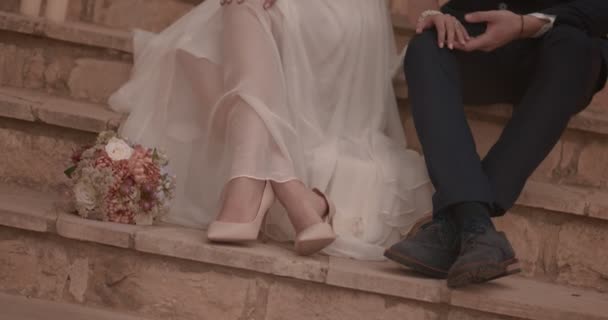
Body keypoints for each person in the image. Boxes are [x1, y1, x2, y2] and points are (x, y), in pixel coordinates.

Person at [109, 0, 433, 260]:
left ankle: (249, 186)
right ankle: (291, 189)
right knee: (195, 48)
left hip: (344, 15)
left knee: (235, 14)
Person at [385, 0, 608, 287]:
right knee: (426, 46)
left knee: (576, 48)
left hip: (562, 48)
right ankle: (475, 224)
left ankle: (461, 222)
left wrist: (528, 24)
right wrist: (432, 16)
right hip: (479, 37)